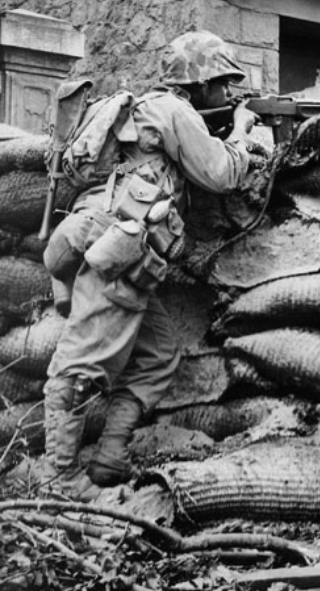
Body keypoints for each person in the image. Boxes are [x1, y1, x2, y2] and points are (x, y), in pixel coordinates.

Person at [40, 31, 258, 498]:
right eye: (221, 83)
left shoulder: (149, 108)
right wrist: (242, 132)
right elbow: (221, 174)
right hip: (116, 252)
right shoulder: (175, 110)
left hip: (109, 242)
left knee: (159, 353)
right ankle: (60, 477)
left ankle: (110, 457)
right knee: (81, 366)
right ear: (197, 84)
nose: (227, 93)